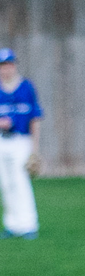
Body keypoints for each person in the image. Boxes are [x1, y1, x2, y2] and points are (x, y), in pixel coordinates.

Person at [0, 48, 43, 240]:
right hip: (2, 140)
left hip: (20, 140)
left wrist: (35, 148)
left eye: (8, 65)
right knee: (6, 183)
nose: (6, 69)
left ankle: (28, 224)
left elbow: (35, 118)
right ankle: (12, 224)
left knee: (20, 181)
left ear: (14, 65)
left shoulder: (26, 87)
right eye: (2, 66)